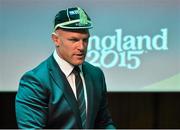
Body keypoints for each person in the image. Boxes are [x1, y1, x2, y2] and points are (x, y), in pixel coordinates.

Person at [15, 7, 116, 129]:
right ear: (56, 39)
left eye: (85, 40)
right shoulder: (35, 81)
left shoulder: (96, 75)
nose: (81, 47)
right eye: (74, 40)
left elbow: (104, 123)